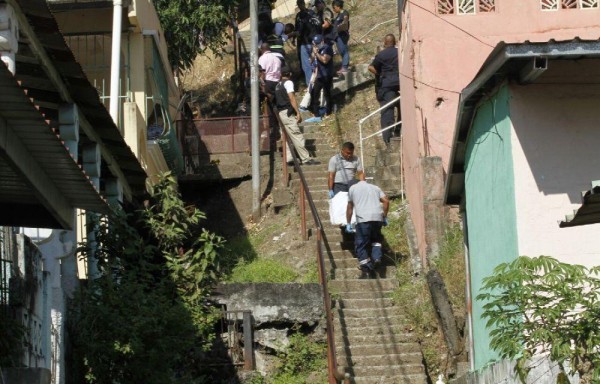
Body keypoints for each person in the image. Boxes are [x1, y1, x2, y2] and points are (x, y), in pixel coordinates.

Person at [274, 66, 318, 165]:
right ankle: (306, 158)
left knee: (286, 136)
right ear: (290, 74)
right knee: (296, 135)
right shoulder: (288, 83)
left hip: (280, 113)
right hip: (287, 113)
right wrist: (297, 112)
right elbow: (292, 98)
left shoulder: (278, 85)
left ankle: (289, 158)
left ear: (281, 75)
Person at [346, 180, 389, 278]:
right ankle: (377, 257)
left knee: (360, 244)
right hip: (377, 218)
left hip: (363, 220)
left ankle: (366, 268)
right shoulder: (375, 187)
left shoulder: (352, 189)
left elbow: (350, 207)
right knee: (376, 239)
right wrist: (384, 217)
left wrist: (348, 223)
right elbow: (386, 201)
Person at [368, 34, 401, 146]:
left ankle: (387, 137)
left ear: (385, 43)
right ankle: (398, 129)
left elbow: (370, 67)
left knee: (388, 110)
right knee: (403, 107)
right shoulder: (400, 52)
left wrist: (380, 74)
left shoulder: (381, 55)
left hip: (387, 86)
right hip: (401, 83)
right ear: (395, 42)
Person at [305, 34, 334, 123]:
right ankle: (316, 113)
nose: (316, 45)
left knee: (327, 93)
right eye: (315, 44)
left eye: (317, 43)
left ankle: (328, 112)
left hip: (326, 75)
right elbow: (310, 61)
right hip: (319, 75)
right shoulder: (317, 49)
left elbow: (325, 60)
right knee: (314, 93)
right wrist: (314, 53)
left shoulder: (327, 48)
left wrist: (317, 53)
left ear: (322, 41)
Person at [332, 0, 350, 75]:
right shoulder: (338, 15)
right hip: (338, 36)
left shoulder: (344, 13)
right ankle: (344, 66)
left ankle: (345, 67)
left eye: (334, 7)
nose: (333, 9)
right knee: (341, 52)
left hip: (342, 35)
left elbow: (345, 20)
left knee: (344, 51)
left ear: (338, 7)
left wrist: (342, 25)